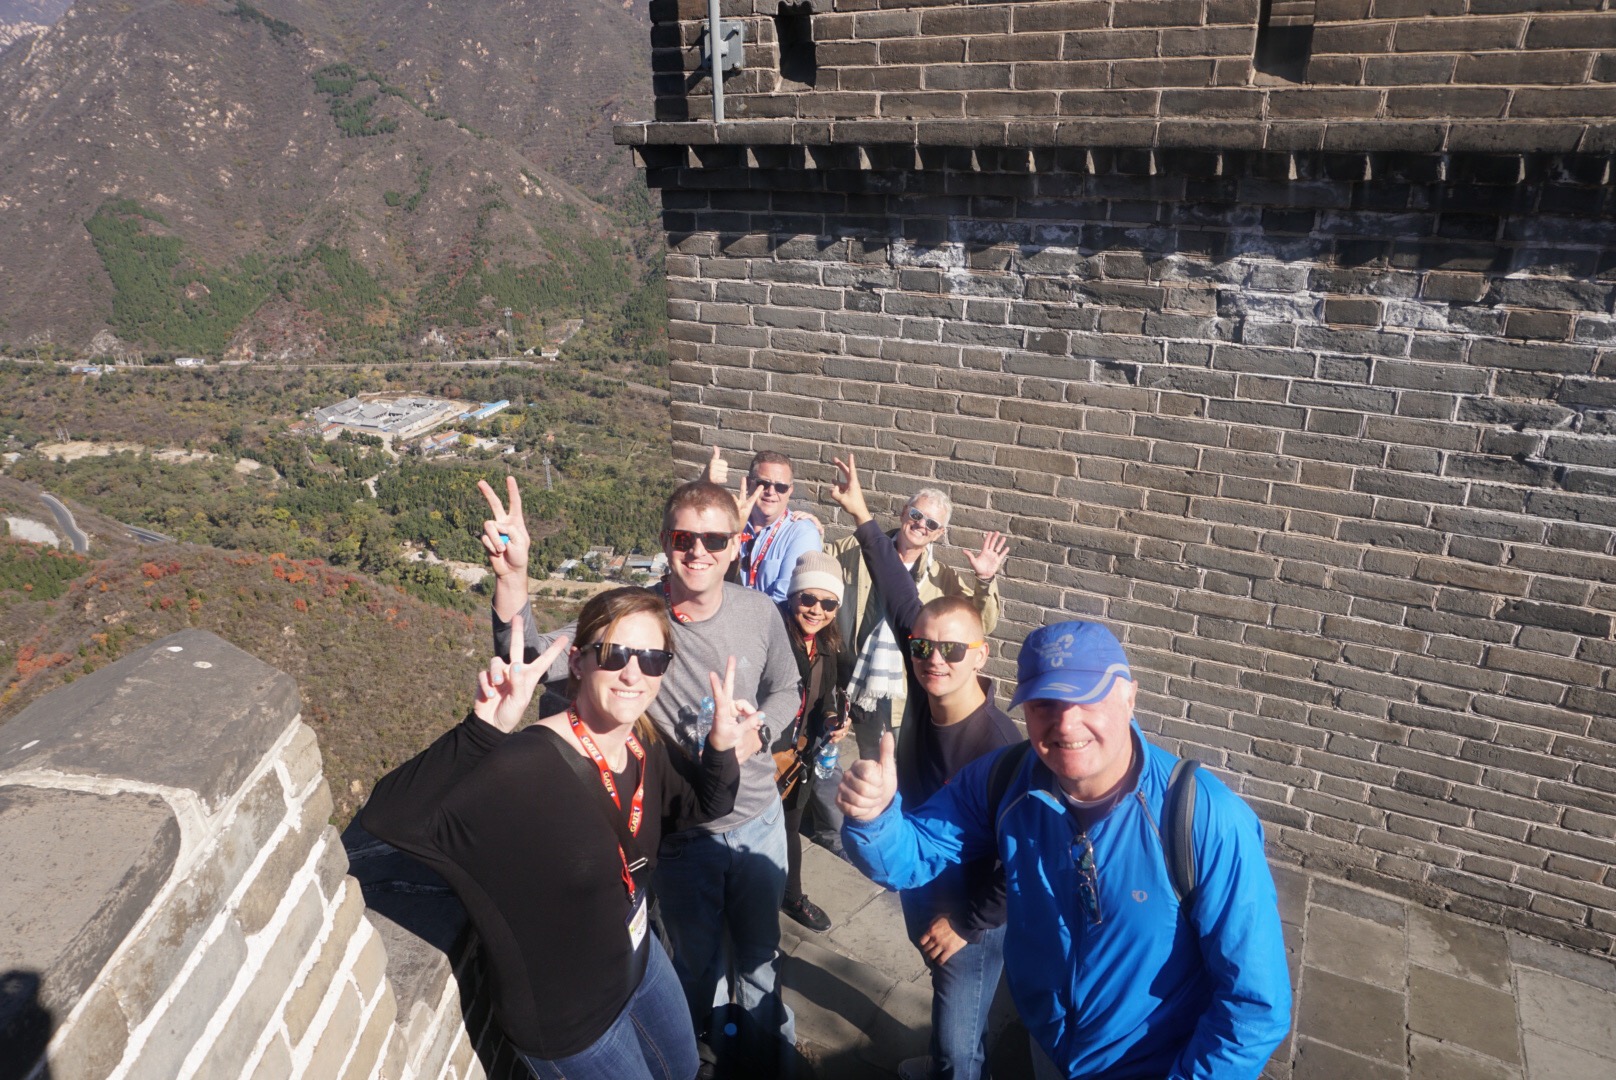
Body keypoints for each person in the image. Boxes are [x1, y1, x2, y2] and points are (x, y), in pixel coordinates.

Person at [837, 621, 1293, 1080]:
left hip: (1156, 1065)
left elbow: (1254, 1006)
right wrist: (874, 818)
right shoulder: (1005, 779)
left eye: (1088, 698)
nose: (1066, 724)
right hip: (1048, 1046)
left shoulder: (1203, 817)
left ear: (1129, 697)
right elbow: (910, 857)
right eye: (1045, 704)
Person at [361, 588, 759, 1080]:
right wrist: (484, 729)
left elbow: (705, 804)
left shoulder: (643, 742)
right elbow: (388, 819)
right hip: (574, 1023)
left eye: (653, 659)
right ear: (578, 662)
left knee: (685, 1070)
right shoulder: (522, 766)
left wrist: (719, 747)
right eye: (614, 655)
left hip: (641, 964)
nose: (633, 674)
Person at [477, 475, 803, 1073]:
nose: (698, 551)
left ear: (735, 544)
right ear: (665, 540)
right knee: (696, 965)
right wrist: (512, 579)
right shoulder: (638, 621)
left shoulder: (759, 612)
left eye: (714, 539)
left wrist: (761, 731)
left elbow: (788, 687)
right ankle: (708, 1056)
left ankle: (766, 1059)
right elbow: (529, 657)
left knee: (761, 954)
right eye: (684, 538)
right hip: (682, 831)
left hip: (758, 817)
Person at [828, 456, 1016, 1080]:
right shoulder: (926, 666)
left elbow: (1023, 856)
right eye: (924, 648)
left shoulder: (999, 748)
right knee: (937, 983)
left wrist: (966, 924)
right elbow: (898, 588)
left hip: (972, 904)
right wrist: (862, 515)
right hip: (919, 869)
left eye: (954, 650)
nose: (936, 659)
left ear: (981, 655)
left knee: (960, 1037)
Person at [826, 469, 1005, 759]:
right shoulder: (855, 550)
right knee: (870, 756)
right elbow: (815, 563)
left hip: (905, 692)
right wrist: (805, 528)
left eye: (932, 523)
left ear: (939, 533)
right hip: (859, 682)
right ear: (903, 512)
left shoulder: (942, 578)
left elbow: (982, 623)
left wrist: (984, 581)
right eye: (917, 514)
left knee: (905, 761)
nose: (921, 524)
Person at [774, 550, 852, 934]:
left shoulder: (826, 644)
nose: (816, 610)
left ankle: (791, 896)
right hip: (761, 755)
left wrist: (834, 720)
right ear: (793, 596)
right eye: (808, 598)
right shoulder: (772, 633)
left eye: (828, 603)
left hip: (797, 757)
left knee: (790, 827)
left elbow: (825, 699)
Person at [706, 446, 823, 603]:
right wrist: (704, 484)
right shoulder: (727, 521)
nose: (771, 492)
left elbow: (787, 599)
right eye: (763, 484)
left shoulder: (802, 532)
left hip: (768, 618)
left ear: (790, 491)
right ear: (749, 484)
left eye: (781, 487)